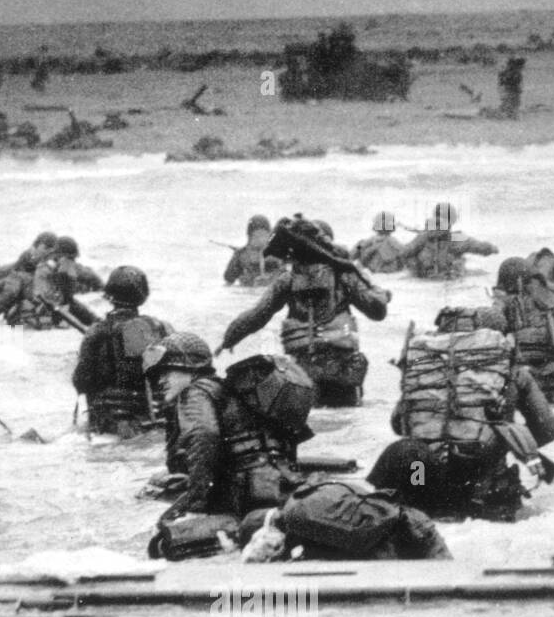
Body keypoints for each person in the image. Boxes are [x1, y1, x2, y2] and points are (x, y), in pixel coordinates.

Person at [368, 304, 554, 521]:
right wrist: (509, 441)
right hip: (483, 487)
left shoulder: (424, 367)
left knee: (412, 458)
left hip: (424, 482)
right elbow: (548, 429)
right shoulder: (513, 372)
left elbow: (399, 424)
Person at [218, 215, 389, 407]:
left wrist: (229, 339)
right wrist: (373, 285)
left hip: (302, 372)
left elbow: (257, 315)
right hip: (342, 370)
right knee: (342, 419)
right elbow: (377, 312)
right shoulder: (345, 274)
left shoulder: (288, 280)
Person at [144, 335, 314, 523]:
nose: (160, 381)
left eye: (166, 372)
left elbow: (204, 436)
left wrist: (194, 502)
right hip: (278, 483)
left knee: (159, 516)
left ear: (190, 367)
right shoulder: (230, 390)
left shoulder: (194, 392)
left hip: (244, 495)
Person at [239, 480, 451, 562]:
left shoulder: (301, 520)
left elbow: (366, 542)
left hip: (407, 536)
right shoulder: (309, 499)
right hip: (416, 524)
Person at [72, 266, 172, 436]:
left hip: (108, 419)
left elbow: (81, 381)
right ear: (143, 295)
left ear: (110, 294)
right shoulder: (159, 327)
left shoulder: (96, 331)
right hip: (153, 415)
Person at [491, 257, 554, 401]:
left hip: (524, 385)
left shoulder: (505, 302)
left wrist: (497, 302)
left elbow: (492, 325)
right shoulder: (552, 300)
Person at [0, 236, 97, 328]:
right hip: (27, 328)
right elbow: (5, 299)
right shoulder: (22, 278)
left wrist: (97, 322)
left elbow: (71, 304)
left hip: (36, 330)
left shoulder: (60, 280)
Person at [395, 203, 498, 280]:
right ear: (452, 220)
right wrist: (492, 248)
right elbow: (480, 247)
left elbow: (402, 253)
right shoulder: (456, 238)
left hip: (425, 278)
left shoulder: (422, 237)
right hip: (450, 279)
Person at [223, 214, 283, 287]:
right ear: (249, 238)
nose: (260, 240)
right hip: (249, 292)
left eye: (263, 235)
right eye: (256, 236)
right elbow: (228, 279)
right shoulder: (241, 255)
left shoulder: (277, 252)